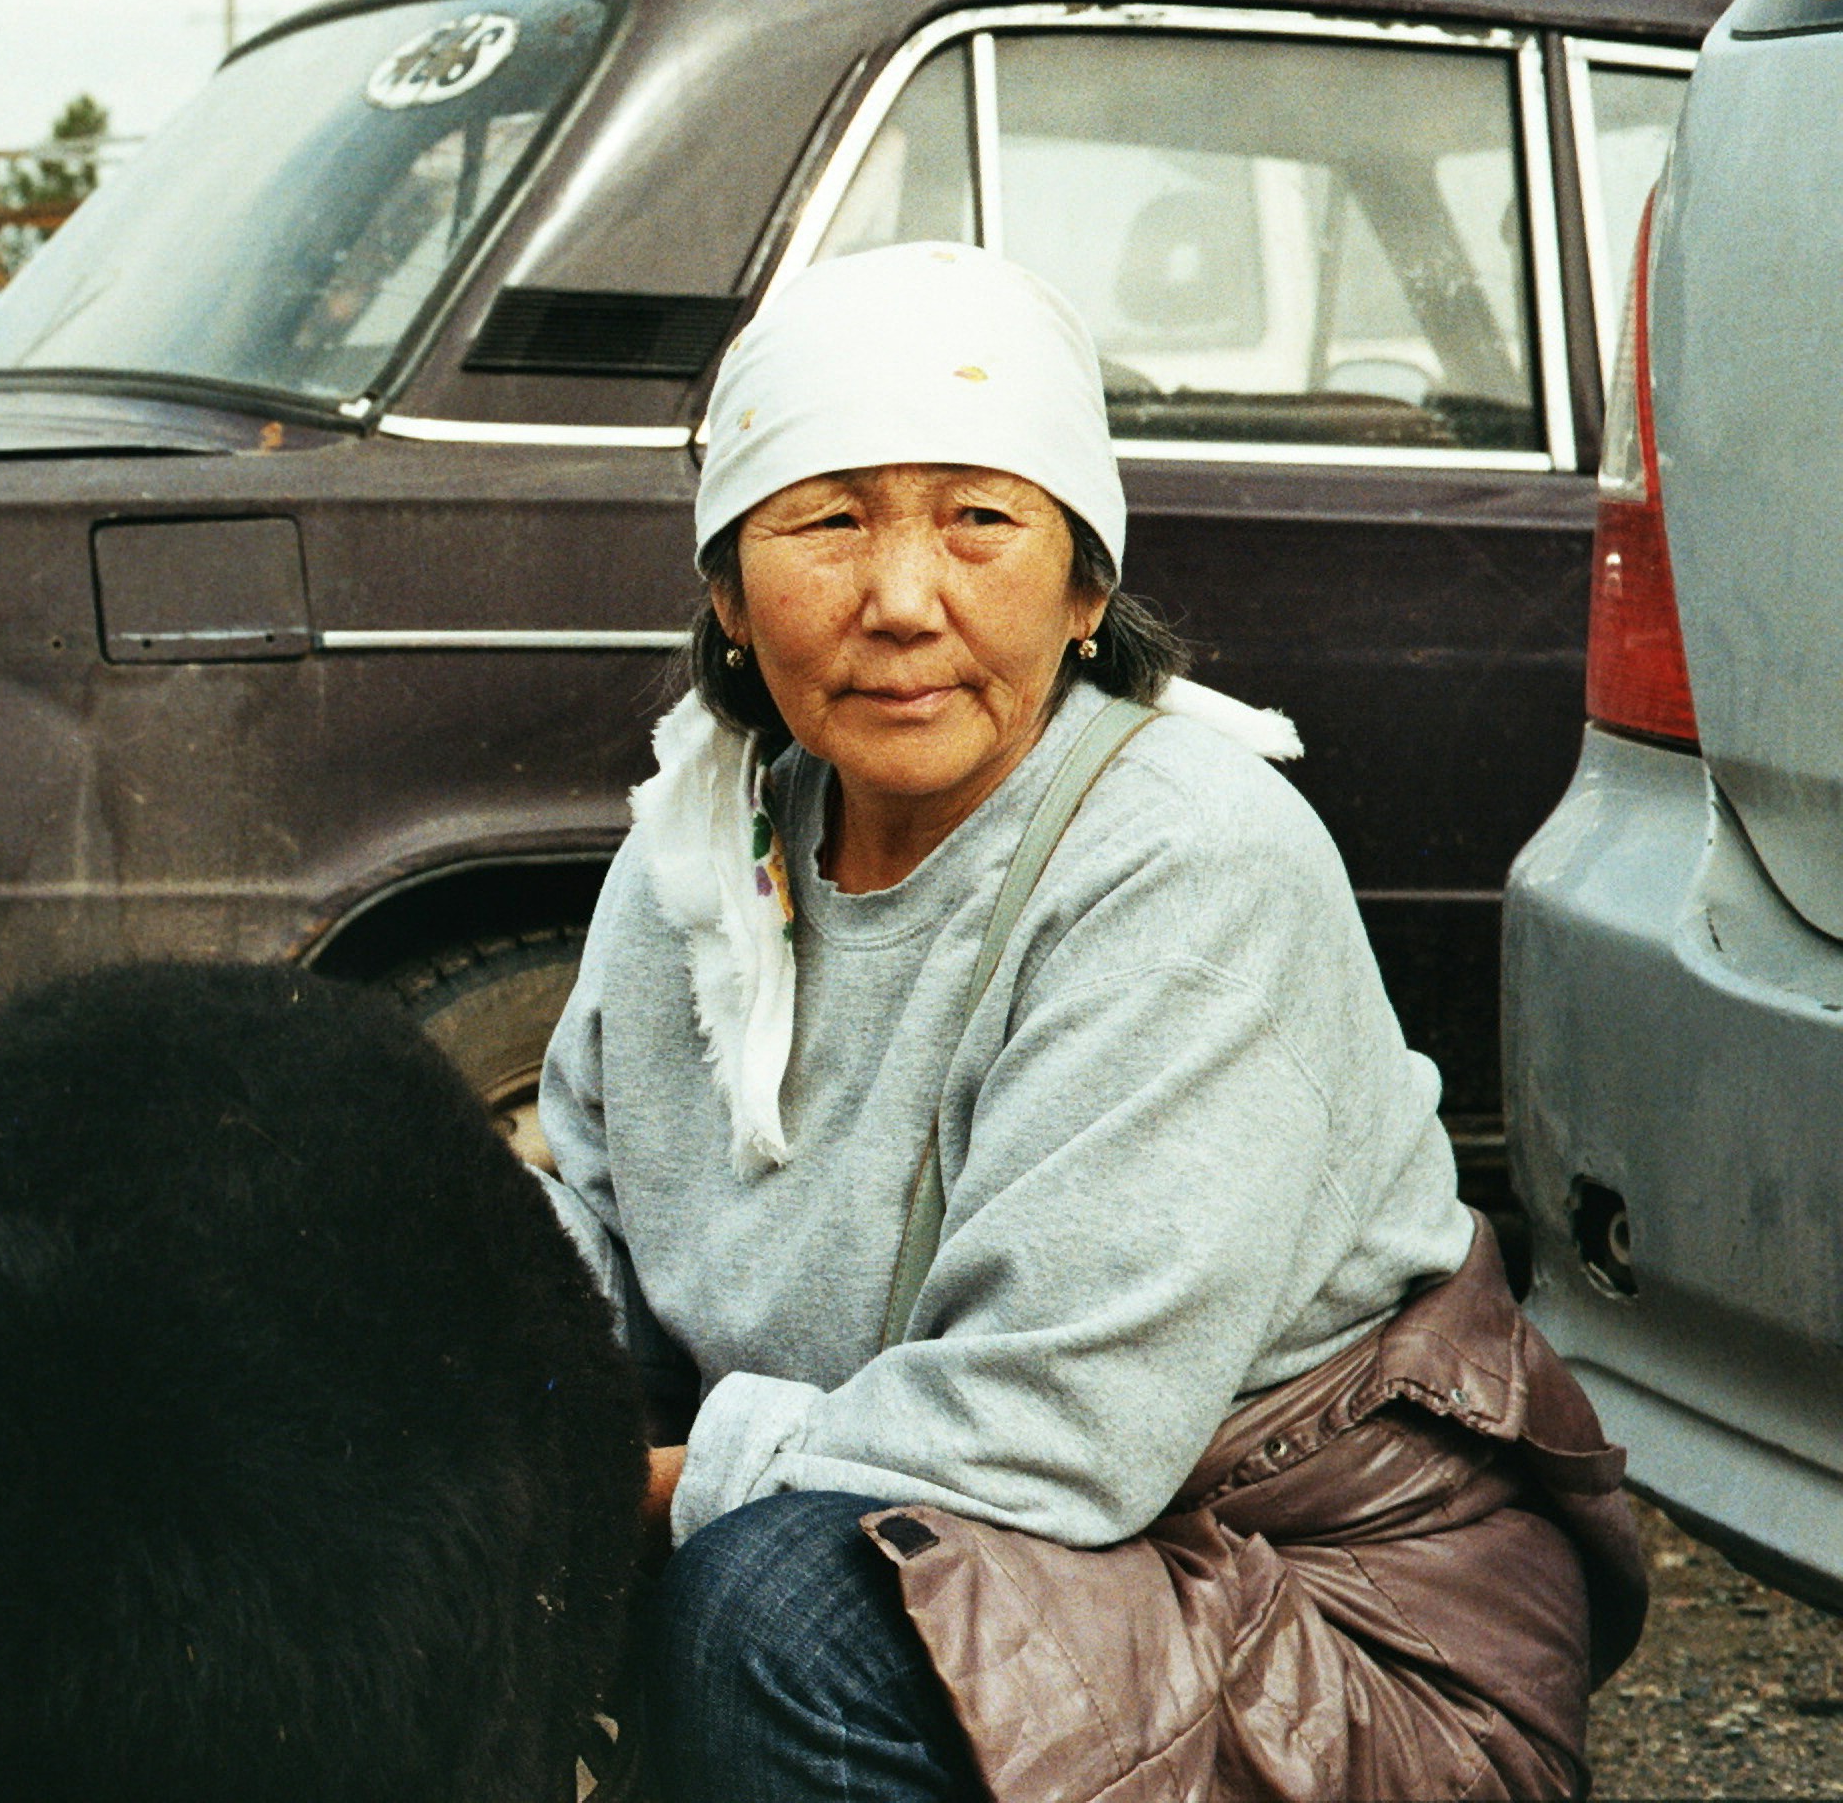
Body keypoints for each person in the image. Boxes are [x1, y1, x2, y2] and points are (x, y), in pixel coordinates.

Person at [536, 243, 1643, 1803]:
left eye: (980, 520)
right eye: (827, 520)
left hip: (1323, 1625)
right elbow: (582, 1246)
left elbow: (1050, 1435)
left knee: (780, 1609)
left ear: (1086, 592)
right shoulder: (697, 867)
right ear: (727, 591)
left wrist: (583, 1496)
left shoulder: (1187, 855)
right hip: (999, 1568)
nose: (902, 601)